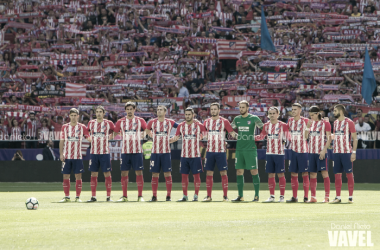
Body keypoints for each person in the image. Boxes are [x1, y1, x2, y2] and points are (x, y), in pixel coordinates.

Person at [230, 100, 264, 202]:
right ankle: (240, 196)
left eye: (243, 107)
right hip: (239, 149)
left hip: (250, 149)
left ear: (247, 108)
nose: (241, 109)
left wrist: (259, 137)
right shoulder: (237, 119)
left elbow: (264, 128)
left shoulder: (254, 118)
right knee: (239, 171)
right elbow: (230, 129)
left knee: (254, 171)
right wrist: (236, 136)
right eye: (240, 107)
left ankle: (256, 196)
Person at [171, 107, 206, 202]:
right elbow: (176, 137)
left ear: (193, 115)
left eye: (189, 114)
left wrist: (202, 136)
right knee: (184, 176)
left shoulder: (198, 125)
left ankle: (196, 196)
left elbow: (206, 134)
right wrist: (167, 140)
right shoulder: (181, 126)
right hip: (184, 155)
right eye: (186, 114)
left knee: (196, 176)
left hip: (196, 155)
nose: (187, 116)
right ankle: (185, 196)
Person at [114, 102, 147, 202]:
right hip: (125, 151)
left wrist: (144, 134)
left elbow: (147, 130)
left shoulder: (140, 120)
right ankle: (124, 196)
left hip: (137, 150)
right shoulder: (121, 121)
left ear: (134, 109)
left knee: (139, 172)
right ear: (125, 110)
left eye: (131, 109)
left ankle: (140, 196)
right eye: (127, 109)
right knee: (124, 173)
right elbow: (115, 132)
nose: (129, 111)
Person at [255, 107, 289, 203]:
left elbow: (288, 137)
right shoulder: (266, 125)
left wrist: (284, 142)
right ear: (268, 115)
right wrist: (251, 137)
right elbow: (261, 136)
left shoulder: (283, 125)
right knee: (270, 174)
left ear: (278, 114)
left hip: (279, 153)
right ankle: (272, 196)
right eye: (270, 113)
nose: (272, 115)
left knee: (281, 174)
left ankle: (282, 197)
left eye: (274, 113)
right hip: (269, 153)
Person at [145, 105, 178, 202]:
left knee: (167, 174)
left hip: (166, 152)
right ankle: (154, 196)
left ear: (165, 112)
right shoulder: (152, 122)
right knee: (155, 174)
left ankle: (168, 196)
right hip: (155, 152)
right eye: (158, 110)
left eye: (161, 110)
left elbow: (181, 128)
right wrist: (151, 135)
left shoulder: (170, 122)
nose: (159, 111)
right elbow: (147, 130)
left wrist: (174, 139)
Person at [203, 103, 235, 202]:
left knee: (223, 172)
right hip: (209, 151)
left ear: (219, 110)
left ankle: (225, 196)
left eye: (215, 109)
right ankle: (208, 196)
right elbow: (203, 135)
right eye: (211, 109)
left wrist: (244, 137)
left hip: (221, 151)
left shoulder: (224, 121)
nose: (213, 111)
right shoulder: (206, 122)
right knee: (209, 172)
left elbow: (232, 134)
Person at [59, 108, 91, 203]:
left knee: (78, 176)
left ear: (78, 116)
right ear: (69, 116)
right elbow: (62, 141)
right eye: (71, 115)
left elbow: (88, 137)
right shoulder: (64, 127)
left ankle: (77, 197)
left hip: (77, 156)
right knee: (65, 176)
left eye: (75, 115)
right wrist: (61, 154)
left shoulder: (82, 127)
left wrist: (95, 138)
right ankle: (67, 197)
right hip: (67, 156)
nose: (73, 117)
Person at [87, 106, 115, 202]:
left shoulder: (108, 123)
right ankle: (93, 196)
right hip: (94, 152)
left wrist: (108, 138)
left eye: (100, 112)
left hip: (105, 152)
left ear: (104, 113)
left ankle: (108, 196)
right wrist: (90, 139)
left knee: (107, 174)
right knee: (93, 174)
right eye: (97, 112)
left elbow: (116, 131)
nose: (98, 113)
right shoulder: (91, 123)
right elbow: (86, 133)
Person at [304, 106, 332, 203]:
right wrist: (307, 127)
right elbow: (305, 137)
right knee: (312, 174)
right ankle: (313, 197)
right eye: (310, 115)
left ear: (317, 113)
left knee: (324, 173)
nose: (311, 117)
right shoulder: (310, 123)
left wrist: (324, 150)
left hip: (321, 152)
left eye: (312, 115)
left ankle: (327, 197)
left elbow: (329, 138)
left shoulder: (325, 123)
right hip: (311, 152)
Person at [331, 104, 357, 204]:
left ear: (341, 112)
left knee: (349, 174)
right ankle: (338, 197)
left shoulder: (349, 122)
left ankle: (350, 197)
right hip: (336, 152)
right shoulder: (335, 123)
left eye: (335, 111)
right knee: (337, 175)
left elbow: (355, 138)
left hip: (346, 152)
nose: (334, 112)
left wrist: (353, 152)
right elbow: (335, 136)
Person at [286, 103, 310, 203]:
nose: (293, 111)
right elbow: (287, 130)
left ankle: (305, 197)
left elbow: (308, 135)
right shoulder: (290, 121)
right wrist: (289, 139)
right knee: (293, 173)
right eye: (292, 109)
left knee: (304, 173)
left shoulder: (305, 121)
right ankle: (294, 197)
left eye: (295, 109)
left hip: (303, 151)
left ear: (300, 110)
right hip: (293, 151)